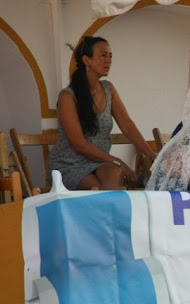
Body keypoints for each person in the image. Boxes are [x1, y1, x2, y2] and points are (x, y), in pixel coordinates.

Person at [49, 36, 155, 190]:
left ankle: (118, 197)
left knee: (114, 173)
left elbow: (127, 125)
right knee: (99, 188)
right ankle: (124, 192)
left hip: (99, 163)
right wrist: (118, 161)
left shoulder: (108, 88)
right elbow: (79, 145)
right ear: (87, 60)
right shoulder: (67, 96)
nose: (108, 60)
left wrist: (150, 154)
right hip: (69, 165)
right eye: (103, 55)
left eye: (110, 56)